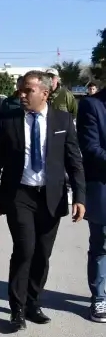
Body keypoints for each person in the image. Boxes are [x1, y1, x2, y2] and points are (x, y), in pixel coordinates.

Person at [0, 70, 85, 332]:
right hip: (19, 195)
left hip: (51, 196)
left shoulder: (62, 119)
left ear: (45, 92)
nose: (22, 94)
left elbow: (74, 160)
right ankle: (16, 309)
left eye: (28, 90)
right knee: (24, 249)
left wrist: (80, 197)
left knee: (42, 253)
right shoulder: (9, 119)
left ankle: (32, 302)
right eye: (21, 89)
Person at [75, 88, 106, 322]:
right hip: (103, 185)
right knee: (102, 244)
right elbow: (91, 149)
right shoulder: (92, 105)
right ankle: (100, 297)